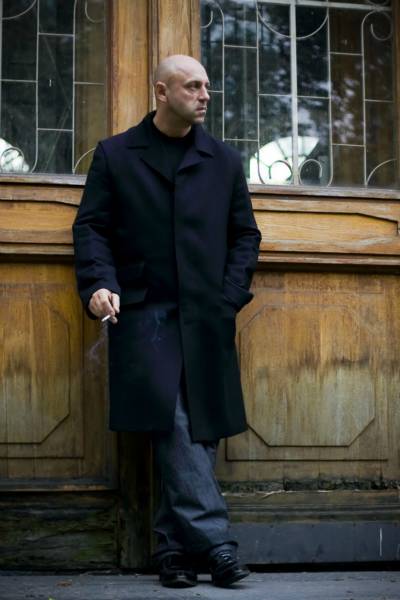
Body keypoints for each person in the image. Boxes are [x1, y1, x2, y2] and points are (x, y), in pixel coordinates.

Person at [72, 54, 261, 588]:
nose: (205, 95)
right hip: (144, 315)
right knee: (175, 421)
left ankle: (173, 551)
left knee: (198, 428)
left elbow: (245, 235)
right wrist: (99, 284)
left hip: (206, 315)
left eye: (207, 86)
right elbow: (91, 228)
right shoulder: (116, 155)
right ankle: (218, 545)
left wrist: (228, 298)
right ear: (161, 91)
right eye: (193, 86)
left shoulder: (223, 161)